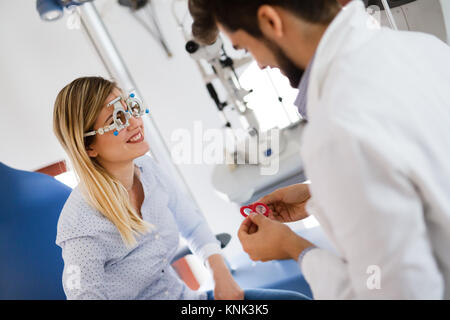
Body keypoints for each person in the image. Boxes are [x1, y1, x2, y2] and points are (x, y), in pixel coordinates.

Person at [188, 0, 450, 299]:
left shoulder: (335, 127)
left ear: (271, 21)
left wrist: (294, 248)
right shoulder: (427, 48)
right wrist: (322, 194)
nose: (259, 64)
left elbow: (390, 292)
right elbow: (423, 180)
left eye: (246, 47)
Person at [53, 76, 308, 300]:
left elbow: (193, 225)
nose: (134, 123)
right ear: (89, 147)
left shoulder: (148, 170)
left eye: (130, 109)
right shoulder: (81, 224)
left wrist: (221, 275)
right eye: (117, 119)